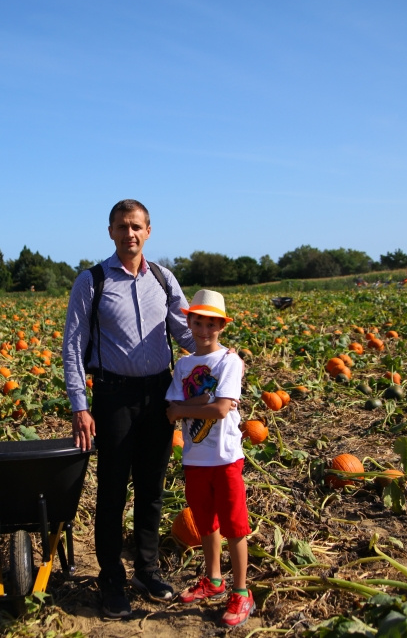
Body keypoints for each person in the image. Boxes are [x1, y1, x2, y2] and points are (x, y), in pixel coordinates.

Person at [62, 199, 196, 618]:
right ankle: (111, 578)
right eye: (122, 227)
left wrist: (218, 361)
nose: (129, 234)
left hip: (160, 395)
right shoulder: (93, 280)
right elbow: (72, 346)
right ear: (110, 232)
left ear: (149, 231)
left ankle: (146, 569)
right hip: (113, 395)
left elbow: (185, 331)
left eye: (136, 226)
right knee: (113, 489)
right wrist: (80, 407)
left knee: (152, 489)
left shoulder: (163, 277)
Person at [166, 290, 254, 628]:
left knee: (234, 525)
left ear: (221, 326)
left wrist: (192, 407)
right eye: (198, 322)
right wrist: (201, 402)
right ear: (188, 322)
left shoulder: (228, 361)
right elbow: (171, 412)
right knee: (205, 523)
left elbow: (219, 409)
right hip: (195, 459)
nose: (204, 329)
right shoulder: (184, 365)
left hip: (226, 457)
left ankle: (242, 592)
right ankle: (214, 579)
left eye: (212, 323)